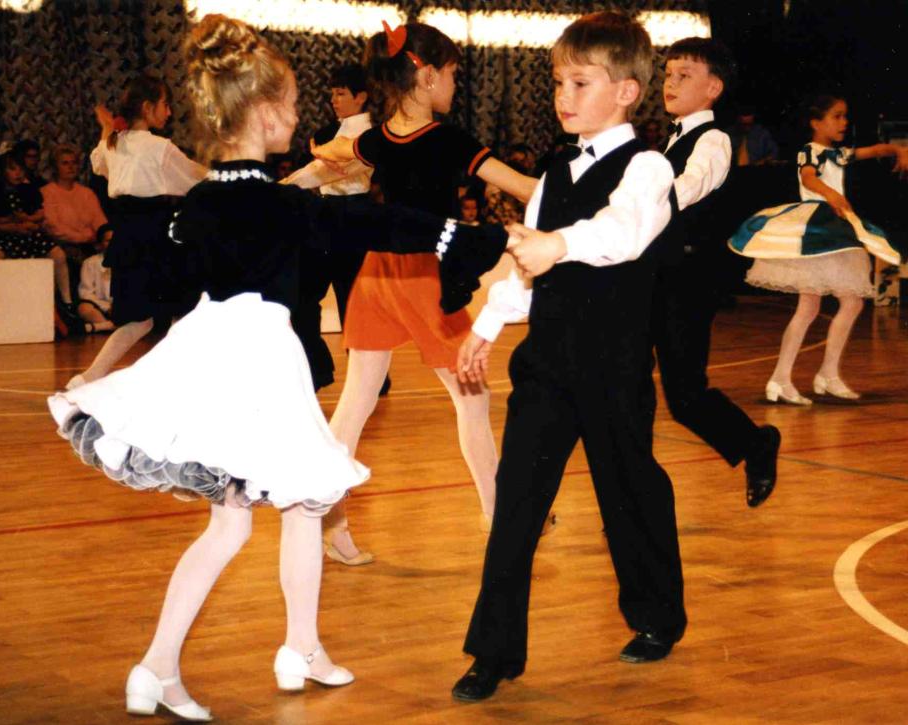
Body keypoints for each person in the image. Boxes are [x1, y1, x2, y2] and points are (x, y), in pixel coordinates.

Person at [47, 13, 508, 719]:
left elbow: (182, 275)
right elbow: (374, 222)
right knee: (289, 506)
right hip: (262, 367)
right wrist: (460, 235)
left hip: (210, 358)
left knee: (262, 517)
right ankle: (186, 660)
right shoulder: (281, 205)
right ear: (263, 115)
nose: (300, 117)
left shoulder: (202, 202)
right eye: (291, 105)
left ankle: (265, 651)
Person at [451, 11, 684, 702]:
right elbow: (526, 261)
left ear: (627, 92)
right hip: (547, 365)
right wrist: (486, 325)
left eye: (580, 83)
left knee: (628, 493)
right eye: (559, 82)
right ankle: (492, 651)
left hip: (614, 369)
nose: (563, 96)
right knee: (516, 506)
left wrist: (560, 244)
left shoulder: (648, 168)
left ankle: (656, 617)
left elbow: (623, 232)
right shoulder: (554, 170)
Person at [304, 21, 541, 564]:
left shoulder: (376, 138)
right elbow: (524, 187)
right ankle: (499, 516)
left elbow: (318, 170)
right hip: (424, 278)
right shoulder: (448, 139)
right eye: (453, 73)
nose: (456, 84)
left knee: (357, 401)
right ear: (428, 75)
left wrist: (260, 193)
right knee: (473, 399)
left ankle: (328, 522)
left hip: (377, 275)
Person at [651, 37, 781, 508]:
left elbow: (689, 188)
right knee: (626, 386)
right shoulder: (669, 139)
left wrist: (635, 198)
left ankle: (756, 444)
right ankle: (634, 496)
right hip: (654, 277)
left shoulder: (713, 140)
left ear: (714, 88)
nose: (670, 83)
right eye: (668, 74)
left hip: (687, 282)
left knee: (685, 397)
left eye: (684, 75)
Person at [729, 93, 907, 403]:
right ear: (816, 122)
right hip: (818, 227)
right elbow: (809, 178)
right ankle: (790, 378)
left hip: (834, 228)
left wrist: (897, 150)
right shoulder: (809, 151)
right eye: (837, 116)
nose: (844, 122)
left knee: (841, 304)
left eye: (845, 116)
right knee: (824, 305)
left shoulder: (838, 154)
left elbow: (874, 150)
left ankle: (817, 376)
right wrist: (831, 194)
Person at [66, 75, 207, 390]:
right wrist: (232, 178)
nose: (169, 112)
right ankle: (172, 378)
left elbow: (98, 163)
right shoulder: (158, 147)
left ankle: (89, 377)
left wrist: (107, 128)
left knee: (141, 319)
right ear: (147, 107)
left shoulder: (115, 143)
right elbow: (196, 178)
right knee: (180, 308)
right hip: (159, 235)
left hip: (128, 236)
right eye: (165, 105)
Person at [284, 63, 374, 391]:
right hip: (325, 214)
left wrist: (282, 186)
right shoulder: (329, 133)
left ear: (361, 97)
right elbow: (318, 170)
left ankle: (371, 379)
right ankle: (318, 367)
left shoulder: (369, 135)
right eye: (332, 94)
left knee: (352, 302)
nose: (334, 100)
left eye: (341, 93)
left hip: (355, 216)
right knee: (303, 296)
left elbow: (323, 172)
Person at [0, 152, 77, 319]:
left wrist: (28, 219)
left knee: (58, 255)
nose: (18, 173)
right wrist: (12, 221)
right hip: (7, 235)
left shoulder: (29, 189)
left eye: (21, 169)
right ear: (2, 171)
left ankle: (67, 301)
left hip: (31, 235)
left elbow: (40, 213)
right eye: (12, 169)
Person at [41, 143, 109, 264]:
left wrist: (101, 237)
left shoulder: (87, 193)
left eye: (74, 163)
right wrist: (85, 237)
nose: (71, 167)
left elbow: (100, 222)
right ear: (55, 167)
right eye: (65, 163)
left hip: (89, 246)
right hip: (62, 247)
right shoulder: (46, 192)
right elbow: (54, 227)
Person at [76, 223, 116, 333]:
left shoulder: (129, 261)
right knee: (84, 308)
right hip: (101, 307)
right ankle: (109, 326)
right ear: (100, 244)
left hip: (121, 307)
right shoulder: (90, 262)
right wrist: (106, 307)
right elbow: (85, 293)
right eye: (108, 241)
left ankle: (102, 327)